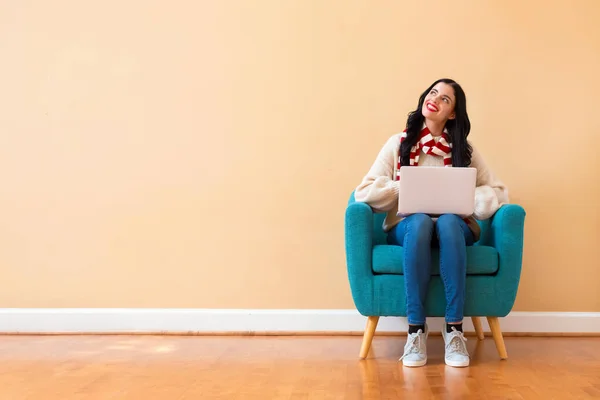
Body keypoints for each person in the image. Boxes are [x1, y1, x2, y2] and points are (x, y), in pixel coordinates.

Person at [354, 78, 508, 368]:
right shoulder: (397, 144)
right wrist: (403, 188)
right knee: (421, 221)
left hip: (454, 227)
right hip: (410, 227)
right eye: (432, 92)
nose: (435, 99)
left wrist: (466, 195)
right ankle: (415, 330)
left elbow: (499, 192)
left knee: (449, 222)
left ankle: (454, 329)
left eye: (445, 99)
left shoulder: (465, 149)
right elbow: (364, 192)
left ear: (452, 113)